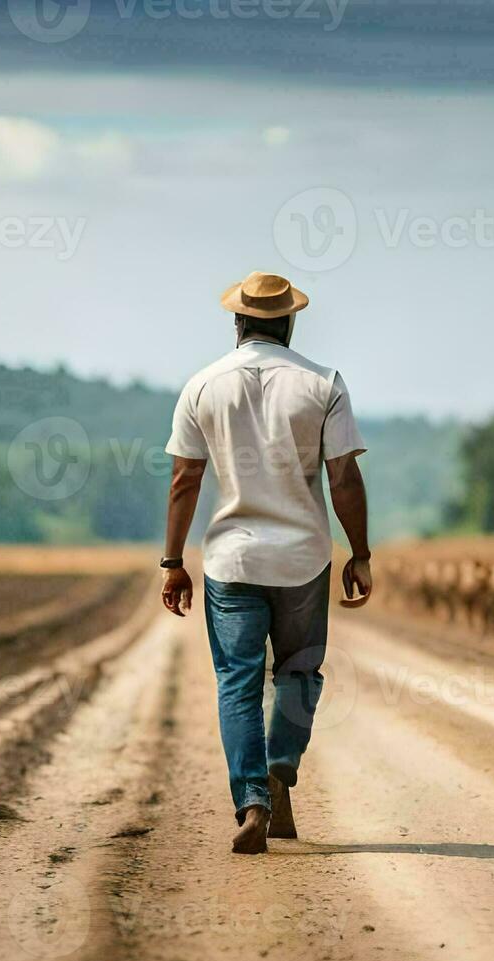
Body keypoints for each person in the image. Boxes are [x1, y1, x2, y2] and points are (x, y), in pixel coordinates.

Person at [161, 271, 373, 854]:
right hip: (304, 558)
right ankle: (280, 766)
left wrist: (173, 560)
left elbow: (185, 478)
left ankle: (252, 801)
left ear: (237, 322)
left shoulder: (202, 386)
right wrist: (360, 552)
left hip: (231, 560)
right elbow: (344, 476)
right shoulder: (323, 383)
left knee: (238, 682)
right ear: (289, 322)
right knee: (300, 672)